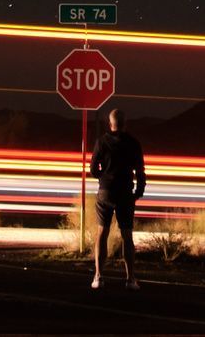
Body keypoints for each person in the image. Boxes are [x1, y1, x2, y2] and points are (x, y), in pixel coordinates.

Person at [89, 107, 146, 290]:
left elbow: (92, 169)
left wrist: (102, 176)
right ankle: (130, 279)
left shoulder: (102, 142)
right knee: (127, 235)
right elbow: (140, 171)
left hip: (106, 191)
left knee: (102, 233)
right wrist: (138, 191)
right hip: (125, 193)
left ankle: (98, 276)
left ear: (110, 123)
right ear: (125, 124)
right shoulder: (133, 143)